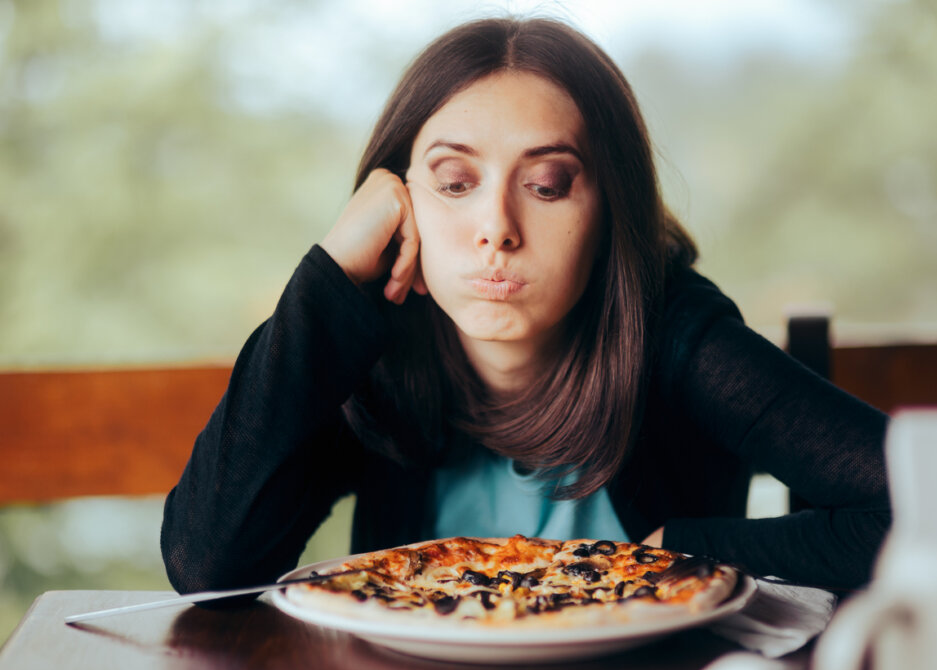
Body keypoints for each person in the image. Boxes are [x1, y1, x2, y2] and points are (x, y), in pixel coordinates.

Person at [160, 17, 890, 596]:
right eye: (453, 182)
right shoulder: (375, 349)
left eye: (545, 185)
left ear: (612, 209)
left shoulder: (679, 339)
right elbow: (205, 564)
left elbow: (930, 510)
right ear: (399, 197)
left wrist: (686, 553)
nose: (496, 230)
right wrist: (331, 275)